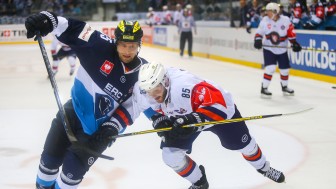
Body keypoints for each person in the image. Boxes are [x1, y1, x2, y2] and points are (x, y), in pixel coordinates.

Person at [109, 62, 286, 189]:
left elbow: (220, 104)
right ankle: (200, 182)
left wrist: (190, 120)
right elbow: (141, 106)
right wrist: (157, 119)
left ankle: (264, 167)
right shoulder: (146, 90)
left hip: (216, 114)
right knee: (170, 155)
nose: (154, 96)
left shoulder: (185, 86)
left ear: (166, 82)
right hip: (183, 117)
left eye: (157, 91)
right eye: (149, 92)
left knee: (245, 146)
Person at [25, 11, 150, 188]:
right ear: (116, 42)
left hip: (98, 133)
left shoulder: (143, 73)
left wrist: (111, 127)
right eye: (123, 45)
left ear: (139, 45)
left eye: (132, 46)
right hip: (71, 113)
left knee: (70, 176)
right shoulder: (98, 46)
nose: (127, 51)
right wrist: (48, 20)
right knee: (48, 163)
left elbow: (135, 106)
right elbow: (73, 27)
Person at [254, 2, 302, 98]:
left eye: (269, 11)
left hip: (282, 50)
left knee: (285, 70)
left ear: (276, 11)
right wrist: (258, 40)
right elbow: (259, 33)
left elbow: (290, 33)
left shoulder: (286, 20)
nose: (267, 13)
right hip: (269, 49)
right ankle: (264, 88)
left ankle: (284, 86)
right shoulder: (265, 20)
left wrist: (294, 43)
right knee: (270, 68)